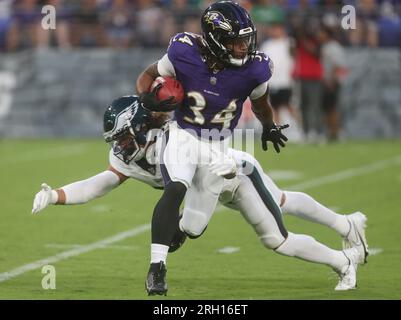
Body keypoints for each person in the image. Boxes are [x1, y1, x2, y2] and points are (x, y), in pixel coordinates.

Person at [32, 95, 368, 295]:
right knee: (276, 205)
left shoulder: (173, 136)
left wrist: (224, 170)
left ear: (138, 126)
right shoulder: (130, 156)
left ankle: (345, 255)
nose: (120, 146)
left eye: (122, 137)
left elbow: (206, 154)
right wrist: (56, 195)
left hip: (232, 173)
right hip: (210, 187)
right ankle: (347, 227)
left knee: (270, 231)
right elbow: (99, 184)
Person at [135, 1, 289, 296]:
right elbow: (147, 75)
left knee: (193, 228)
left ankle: (179, 227)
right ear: (216, 40)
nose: (243, 47)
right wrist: (147, 100)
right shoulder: (184, 51)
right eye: (235, 42)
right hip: (182, 134)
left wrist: (269, 126)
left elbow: (260, 103)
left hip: (217, 146)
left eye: (245, 40)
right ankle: (157, 268)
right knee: (175, 188)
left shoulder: (255, 69)